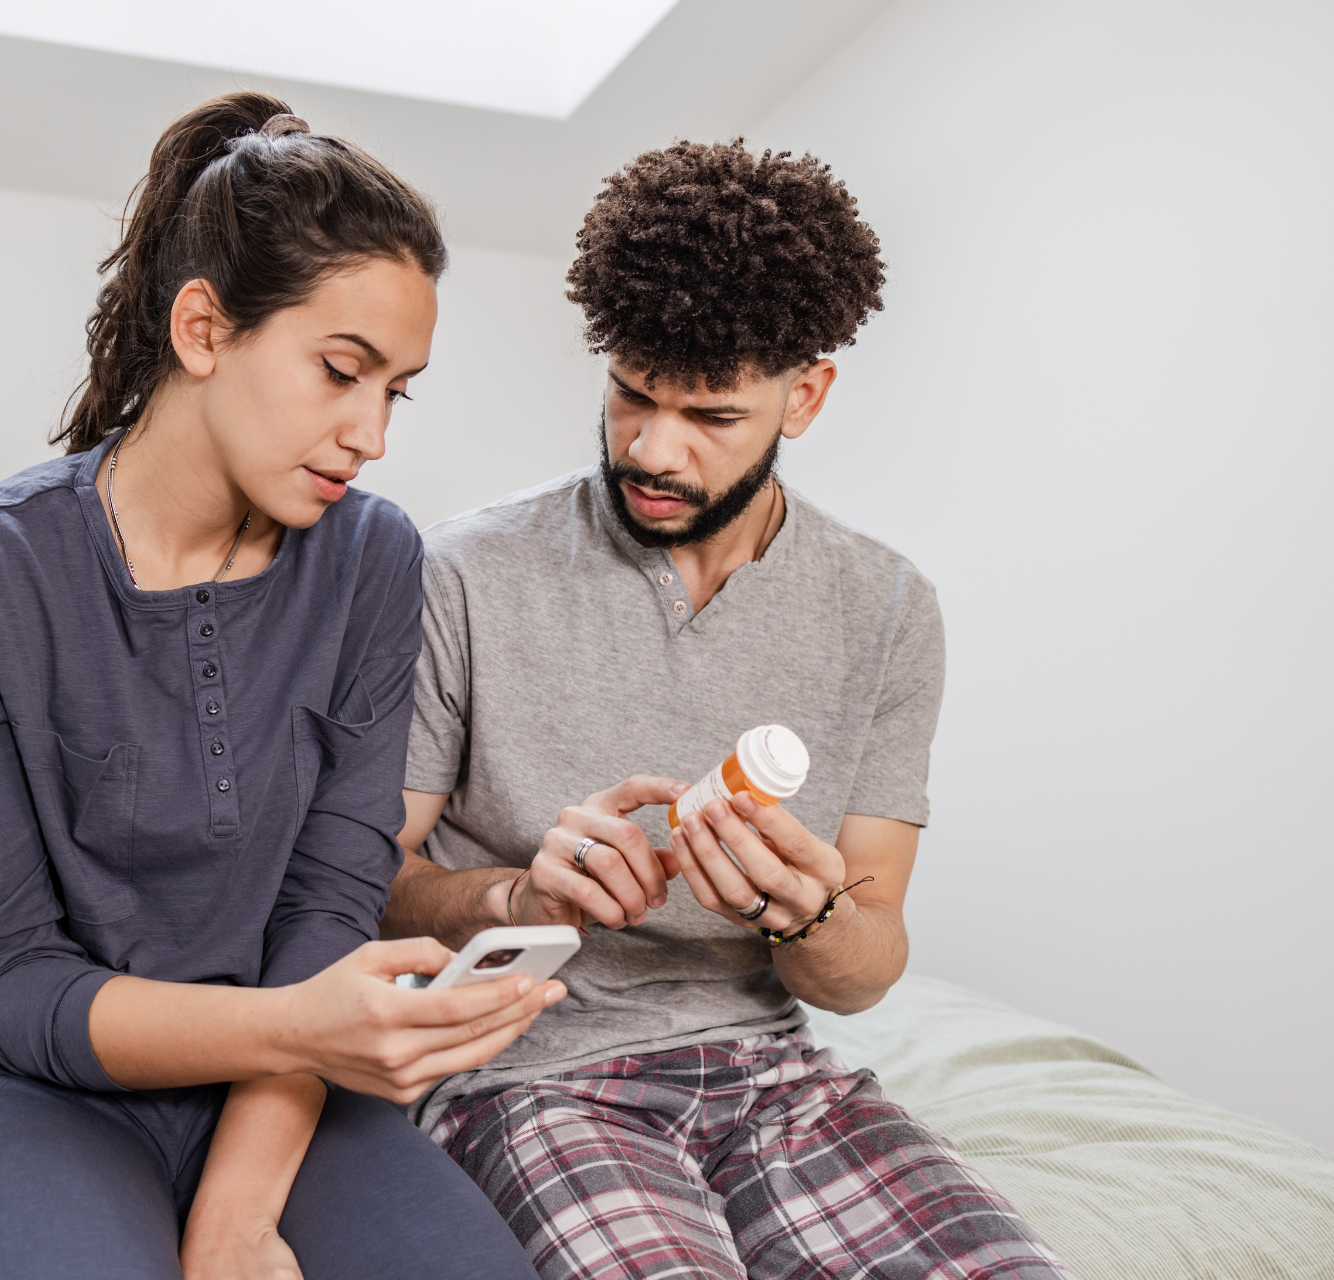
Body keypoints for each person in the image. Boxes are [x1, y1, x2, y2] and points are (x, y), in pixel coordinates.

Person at [0, 92, 556, 1280]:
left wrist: (233, 1216)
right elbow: (5, 981)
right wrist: (299, 1025)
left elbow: (326, 901)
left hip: (276, 1088)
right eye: (340, 370)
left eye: (396, 390)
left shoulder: (373, 559)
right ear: (203, 328)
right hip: (8, 1090)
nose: (371, 433)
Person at [381, 140, 1074, 1279]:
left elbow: (863, 966)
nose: (653, 450)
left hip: (777, 1078)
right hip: (532, 1073)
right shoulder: (461, 573)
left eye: (710, 414)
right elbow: (362, 887)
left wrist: (804, 916)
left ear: (806, 394)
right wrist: (516, 890)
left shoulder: (888, 610)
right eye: (630, 395)